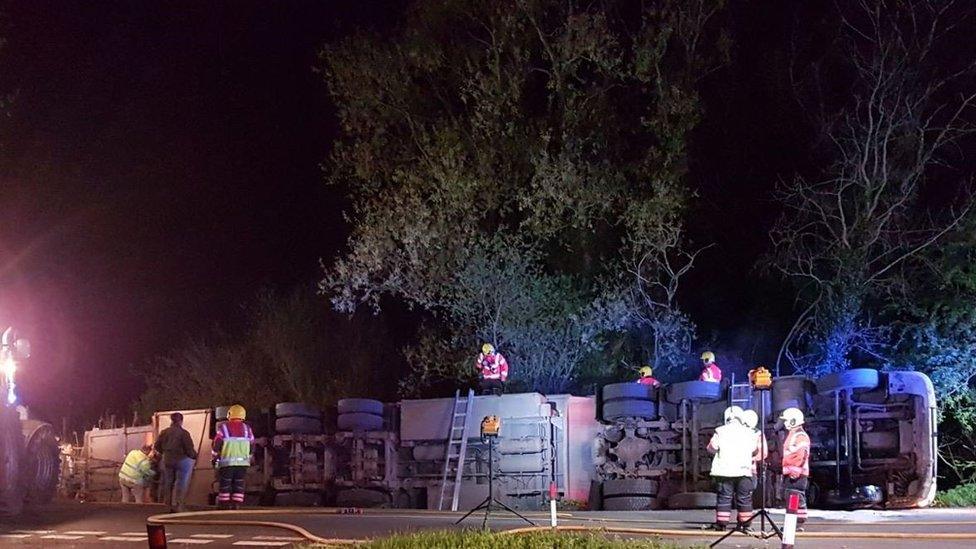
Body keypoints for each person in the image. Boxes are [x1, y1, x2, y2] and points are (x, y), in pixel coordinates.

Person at [706, 406, 758, 531]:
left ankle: (721, 525)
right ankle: (745, 526)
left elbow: (711, 448)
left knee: (724, 497)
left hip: (725, 472)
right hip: (744, 471)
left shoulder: (720, 431)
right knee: (744, 498)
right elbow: (755, 451)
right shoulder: (750, 432)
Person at [212, 404, 255, 510]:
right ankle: (237, 505)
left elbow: (216, 444)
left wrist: (214, 457)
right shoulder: (247, 429)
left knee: (225, 483)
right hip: (243, 464)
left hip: (227, 463)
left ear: (229, 415)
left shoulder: (224, 428)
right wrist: (249, 457)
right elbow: (252, 445)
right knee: (239, 483)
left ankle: (224, 506)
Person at [154, 412, 199, 513]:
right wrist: (195, 456)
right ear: (181, 421)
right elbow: (189, 449)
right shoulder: (184, 433)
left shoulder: (164, 432)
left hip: (168, 460)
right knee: (181, 483)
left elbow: (156, 446)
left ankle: (167, 506)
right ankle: (179, 506)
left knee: (168, 482)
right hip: (181, 460)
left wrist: (165, 452)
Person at [778, 407, 811, 529]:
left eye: (786, 420)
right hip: (792, 473)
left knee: (794, 497)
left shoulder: (800, 436)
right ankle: (794, 523)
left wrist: (796, 470)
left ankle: (796, 523)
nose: (785, 423)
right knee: (791, 497)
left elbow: (802, 454)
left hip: (796, 474)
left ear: (793, 421)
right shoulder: (793, 434)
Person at [741, 410, 768, 478]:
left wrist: (751, 459)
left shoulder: (758, 434)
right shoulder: (737, 432)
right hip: (736, 470)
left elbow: (763, 454)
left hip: (749, 470)